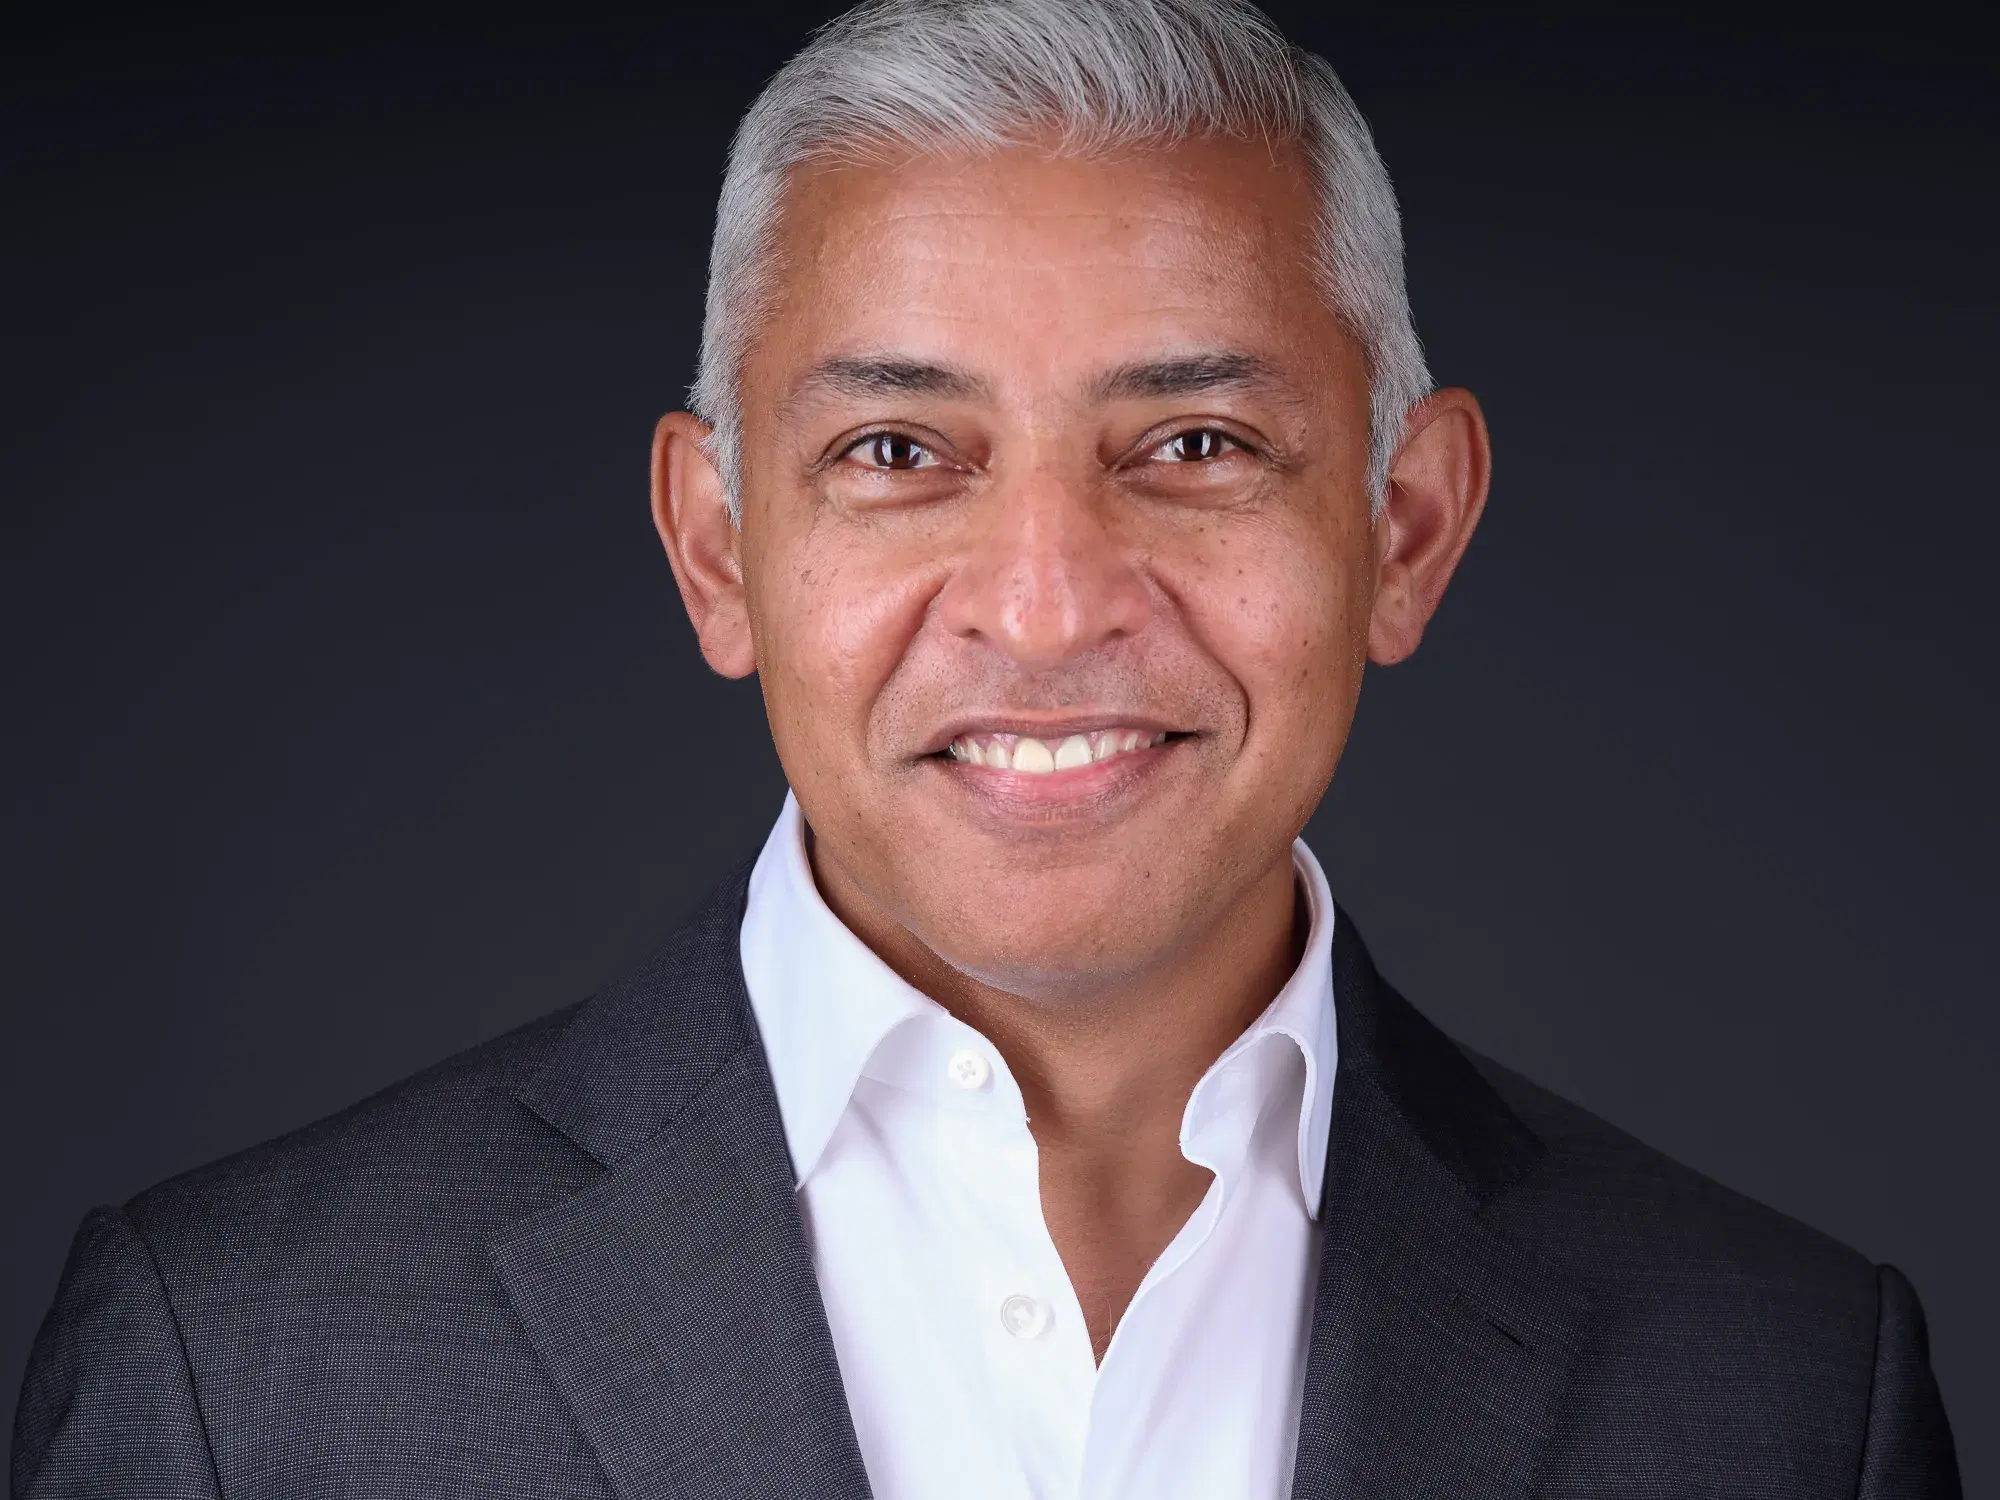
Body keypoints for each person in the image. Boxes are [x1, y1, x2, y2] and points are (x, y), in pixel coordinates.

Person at [11, 1, 1961, 1496]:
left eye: (1192, 446)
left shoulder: (1789, 1389)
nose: (1041, 605)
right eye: (895, 453)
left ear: (1403, 528)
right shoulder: (237, 1369)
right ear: (720, 553)